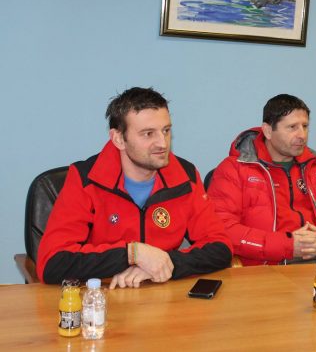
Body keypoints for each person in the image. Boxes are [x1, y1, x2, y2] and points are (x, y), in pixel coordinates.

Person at [37, 87, 232, 287]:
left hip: (163, 293)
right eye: (148, 134)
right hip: (101, 295)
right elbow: (52, 263)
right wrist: (132, 254)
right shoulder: (85, 180)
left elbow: (220, 248)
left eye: (166, 130)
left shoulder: (185, 176)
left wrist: (164, 264)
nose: (162, 143)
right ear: (119, 139)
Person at [207, 94, 316, 266]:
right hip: (267, 266)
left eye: (305, 126)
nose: (302, 135)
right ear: (268, 131)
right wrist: (287, 245)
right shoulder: (234, 169)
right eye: (292, 127)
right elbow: (223, 228)